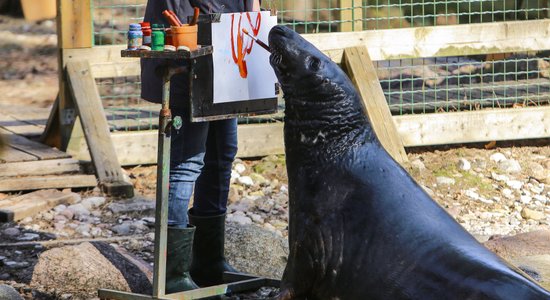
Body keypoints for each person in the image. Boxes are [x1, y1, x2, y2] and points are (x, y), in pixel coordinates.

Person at [140, 0, 260, 294]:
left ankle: (208, 263)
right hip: (189, 63)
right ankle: (172, 274)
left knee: (221, 156)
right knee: (186, 162)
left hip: (228, 56)